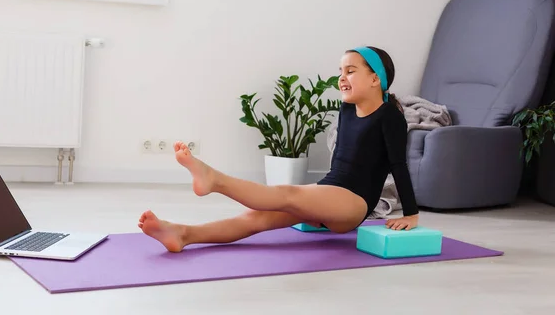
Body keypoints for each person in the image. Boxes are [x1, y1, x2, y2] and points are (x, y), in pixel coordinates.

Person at [138, 46, 420, 253]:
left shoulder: (389, 116)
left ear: (375, 79)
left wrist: (410, 214)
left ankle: (215, 180)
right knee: (255, 218)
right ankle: (183, 234)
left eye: (351, 70)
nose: (341, 77)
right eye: (340, 71)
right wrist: (319, 197)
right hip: (330, 192)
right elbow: (341, 164)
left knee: (287, 193)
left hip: (353, 204)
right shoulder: (346, 109)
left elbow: (398, 165)